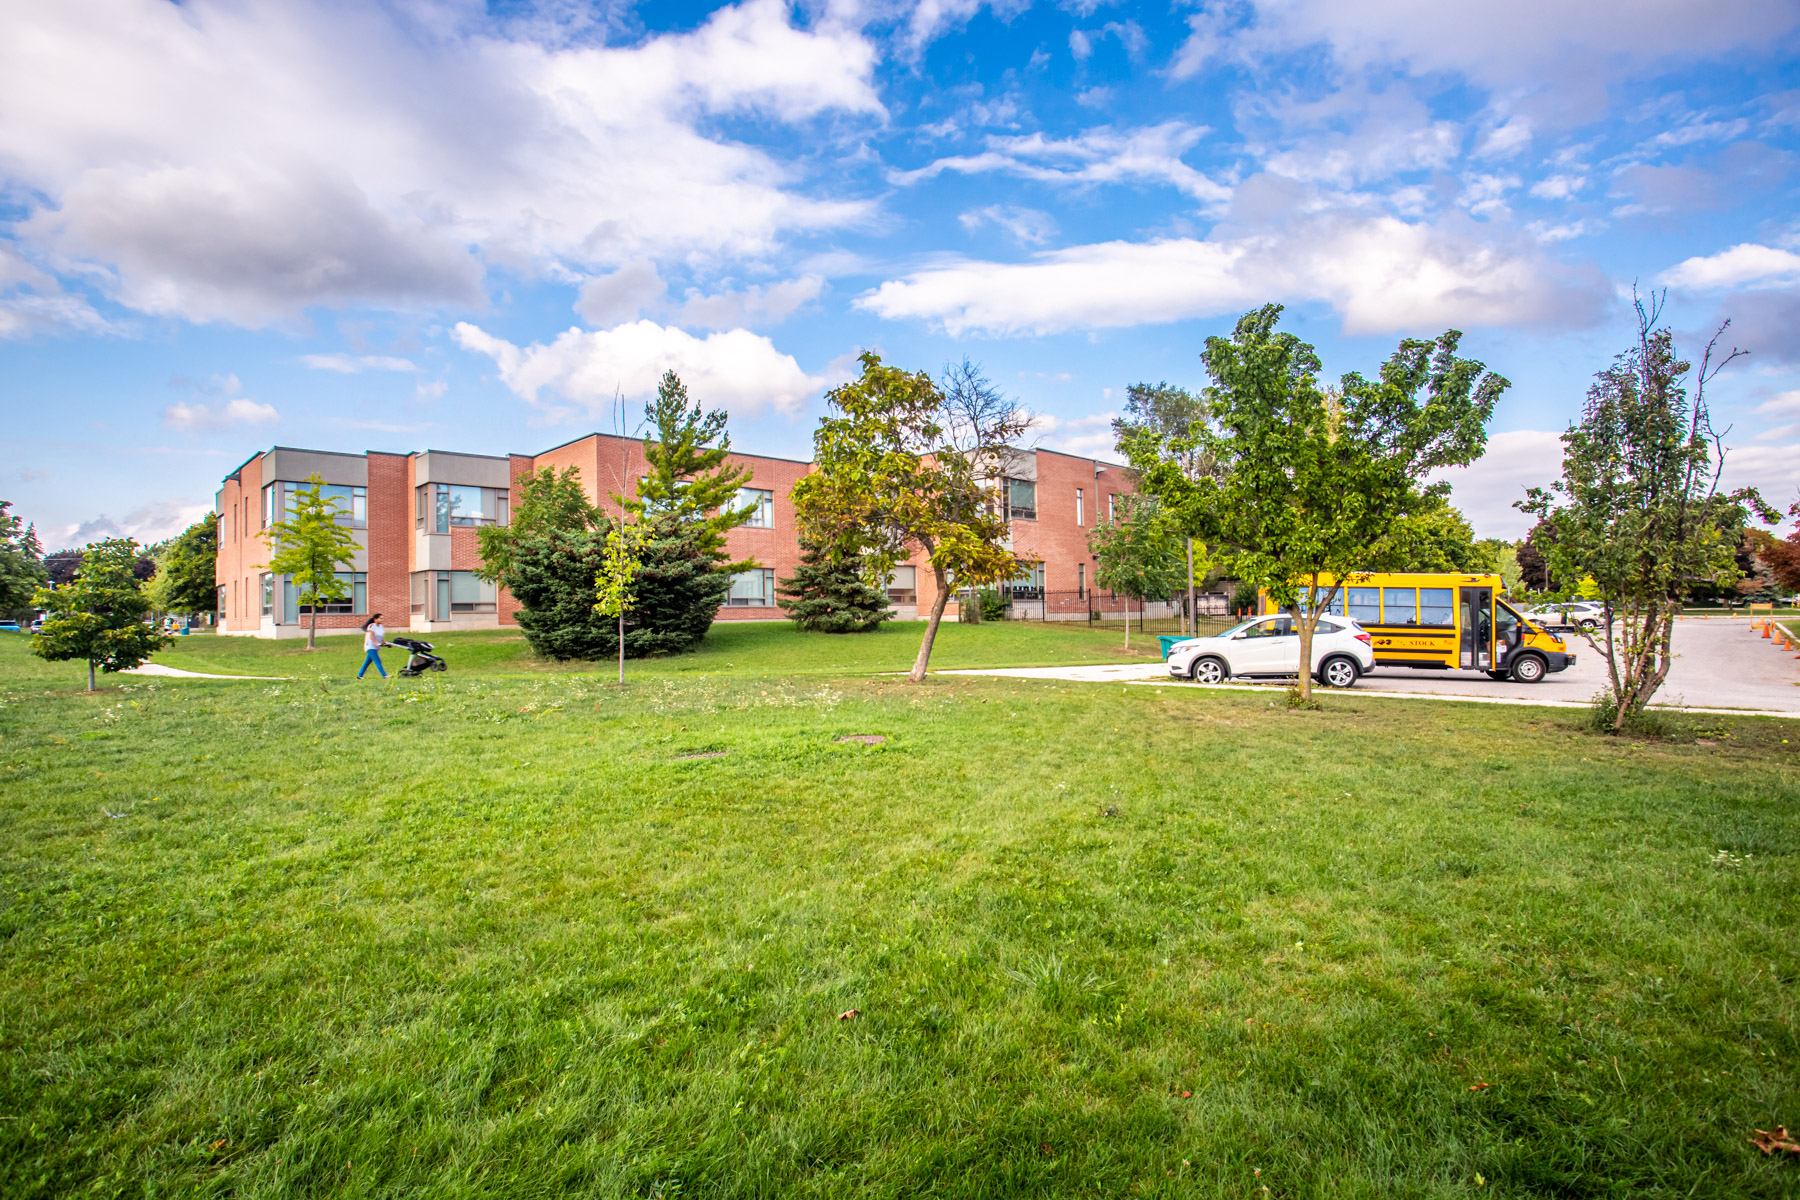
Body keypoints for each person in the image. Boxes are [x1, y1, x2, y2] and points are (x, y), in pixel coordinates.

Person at [359, 613, 388, 679]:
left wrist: (385, 643)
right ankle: (385, 675)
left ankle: (360, 675)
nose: (382, 620)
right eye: (380, 618)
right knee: (378, 661)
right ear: (375, 619)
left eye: (382, 618)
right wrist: (377, 643)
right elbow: (371, 637)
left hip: (376, 647)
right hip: (370, 646)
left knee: (367, 662)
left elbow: (382, 636)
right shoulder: (371, 626)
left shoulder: (381, 627)